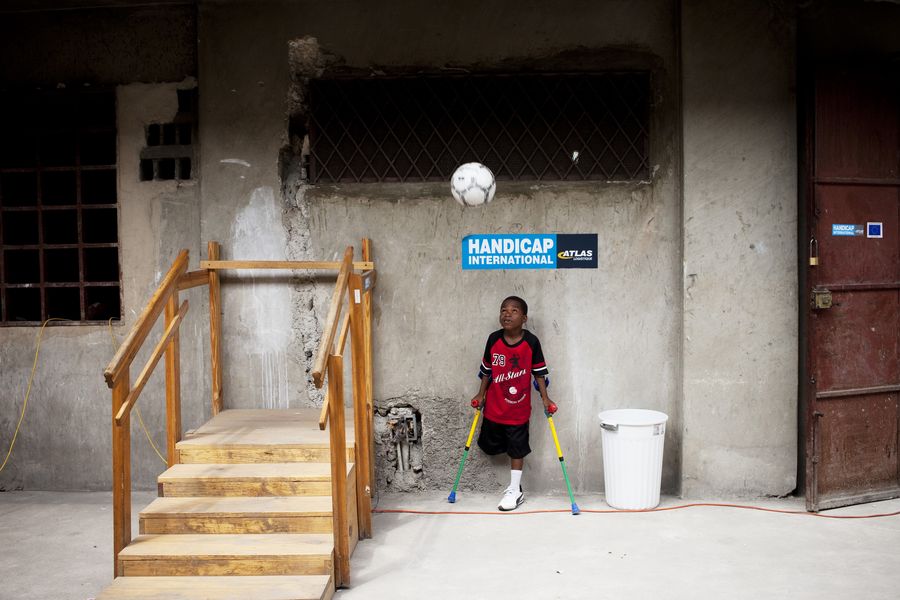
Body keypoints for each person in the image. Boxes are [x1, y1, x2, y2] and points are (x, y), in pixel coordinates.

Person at [471, 295, 552, 511]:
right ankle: (512, 482)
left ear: (524, 318)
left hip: (519, 409)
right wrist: (481, 395)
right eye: (503, 310)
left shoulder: (531, 342)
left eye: (514, 310)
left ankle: (515, 490)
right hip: (494, 408)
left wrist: (545, 398)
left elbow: (539, 373)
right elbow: (487, 370)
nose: (507, 314)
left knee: (517, 449)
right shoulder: (493, 339)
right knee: (489, 445)